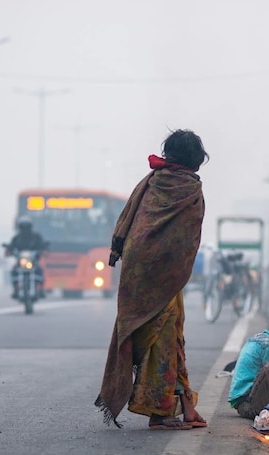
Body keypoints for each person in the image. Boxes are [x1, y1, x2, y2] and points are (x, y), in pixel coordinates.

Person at [95, 129, 209, 430]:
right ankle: (161, 413)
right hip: (166, 274)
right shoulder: (190, 189)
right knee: (164, 338)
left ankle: (187, 407)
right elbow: (185, 240)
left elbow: (128, 220)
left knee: (170, 336)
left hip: (137, 270)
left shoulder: (151, 182)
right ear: (195, 159)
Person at [5, 217, 47, 300]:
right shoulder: (16, 238)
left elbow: (42, 245)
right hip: (20, 262)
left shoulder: (36, 237)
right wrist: (9, 251)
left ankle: (41, 290)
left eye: (26, 227)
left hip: (33, 261)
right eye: (23, 227)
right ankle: (16, 290)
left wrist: (42, 250)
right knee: (14, 272)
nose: (25, 229)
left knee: (40, 271)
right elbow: (11, 247)